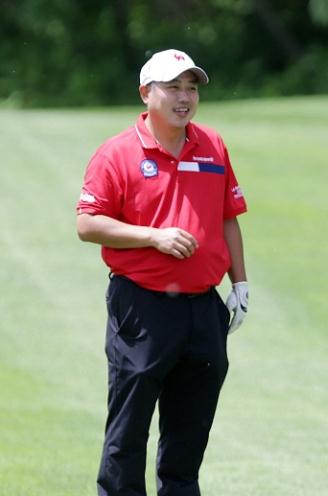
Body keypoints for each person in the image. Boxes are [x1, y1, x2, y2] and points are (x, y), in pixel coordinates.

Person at [76, 49, 249, 495]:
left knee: (188, 437)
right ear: (146, 93)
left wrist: (240, 282)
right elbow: (88, 224)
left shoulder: (212, 146)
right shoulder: (116, 153)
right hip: (143, 306)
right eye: (173, 87)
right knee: (128, 433)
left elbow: (228, 215)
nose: (184, 97)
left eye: (191, 88)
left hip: (202, 310)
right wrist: (152, 237)